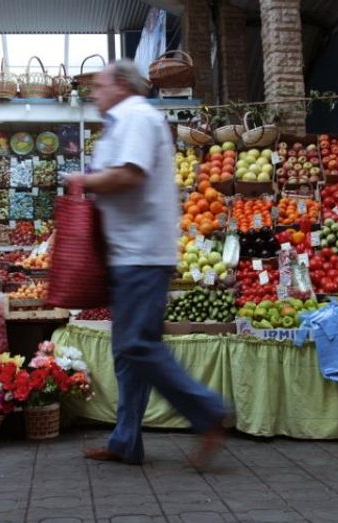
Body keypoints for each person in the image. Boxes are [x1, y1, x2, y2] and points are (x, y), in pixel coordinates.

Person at [66, 60, 229, 469]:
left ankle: (208, 411)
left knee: (137, 345)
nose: (95, 93)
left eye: (100, 85)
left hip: (142, 252)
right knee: (128, 352)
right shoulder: (124, 121)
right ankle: (125, 441)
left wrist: (84, 182)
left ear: (121, 85)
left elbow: (129, 176)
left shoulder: (137, 117)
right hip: (129, 251)